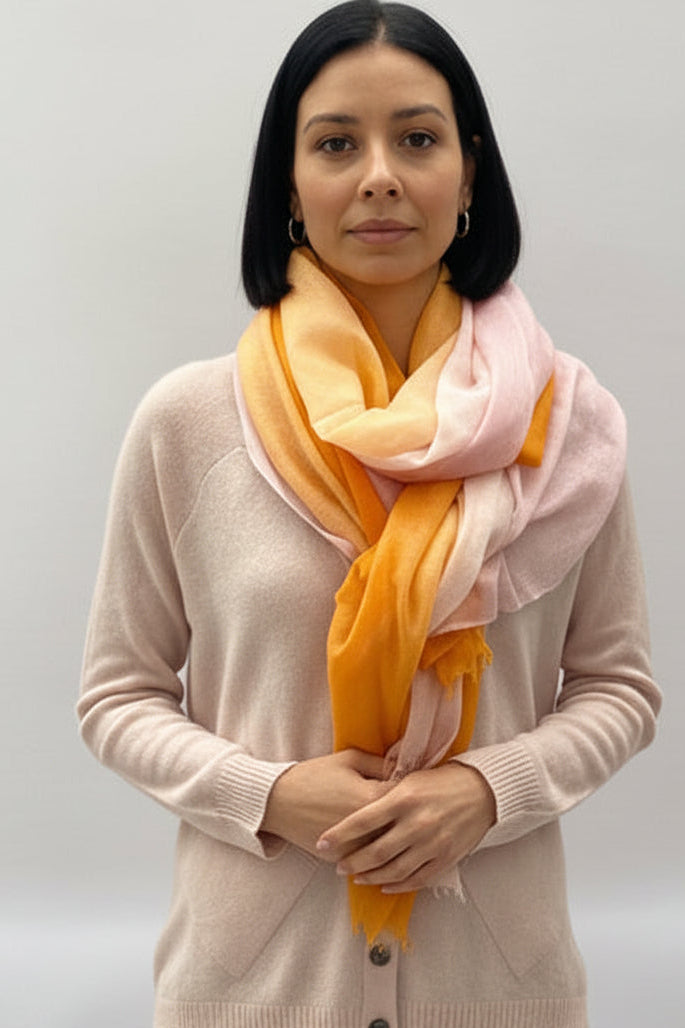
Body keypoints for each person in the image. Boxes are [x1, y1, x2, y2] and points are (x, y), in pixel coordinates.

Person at [77, 2, 661, 1026]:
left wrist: (491, 788)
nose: (380, 173)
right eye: (337, 142)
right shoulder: (188, 423)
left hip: (498, 990)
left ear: (468, 173)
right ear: (290, 186)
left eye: (418, 138)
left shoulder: (563, 426)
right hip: (249, 991)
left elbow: (619, 689)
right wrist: (266, 790)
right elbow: (116, 697)